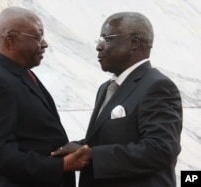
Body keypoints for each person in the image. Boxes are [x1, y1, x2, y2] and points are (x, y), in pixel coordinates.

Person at [52, 12, 182, 187]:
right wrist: (80, 147)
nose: (99, 47)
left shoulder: (157, 87)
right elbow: (113, 140)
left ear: (133, 43)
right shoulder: (105, 88)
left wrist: (91, 154)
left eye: (107, 39)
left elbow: (160, 149)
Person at [0, 7, 89, 187]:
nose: (45, 44)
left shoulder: (19, 74)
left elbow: (33, 138)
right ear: (11, 41)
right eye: (38, 37)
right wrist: (59, 165)